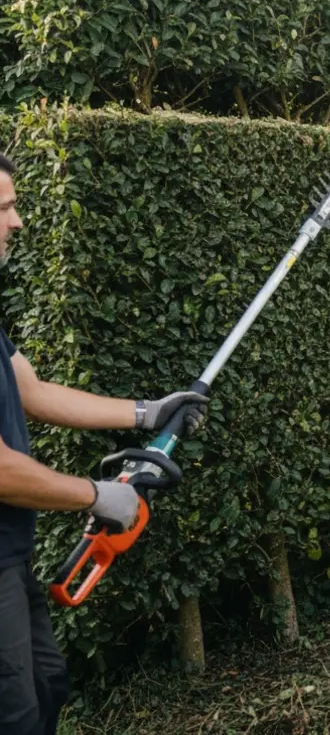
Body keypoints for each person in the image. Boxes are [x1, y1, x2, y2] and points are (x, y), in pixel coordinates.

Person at [0, 152, 208, 734]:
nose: (16, 221)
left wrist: (147, 413)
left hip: (11, 558)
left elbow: (33, 392)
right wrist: (95, 495)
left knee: (45, 691)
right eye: (4, 208)